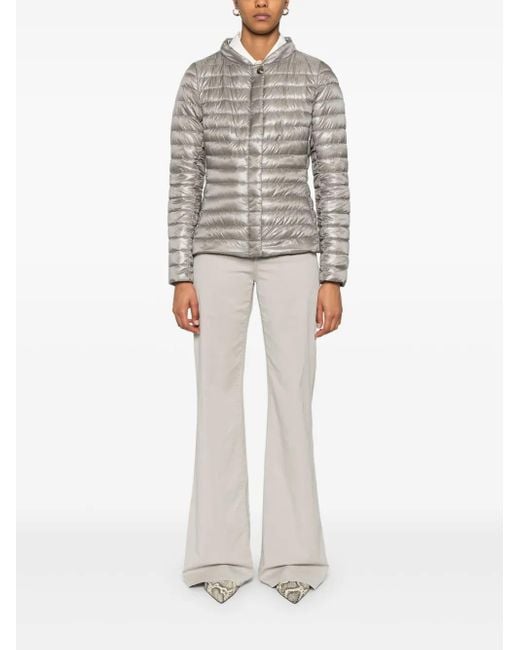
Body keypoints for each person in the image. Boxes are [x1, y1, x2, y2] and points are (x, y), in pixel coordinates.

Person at [167, 0, 350, 605]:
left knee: (292, 400)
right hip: (214, 254)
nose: (262, 1)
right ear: (235, 1)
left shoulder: (317, 77)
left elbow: (333, 177)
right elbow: (184, 178)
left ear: (288, 1)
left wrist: (333, 275)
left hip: (294, 255)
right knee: (216, 400)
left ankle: (294, 557)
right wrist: (180, 273)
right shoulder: (200, 78)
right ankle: (217, 555)